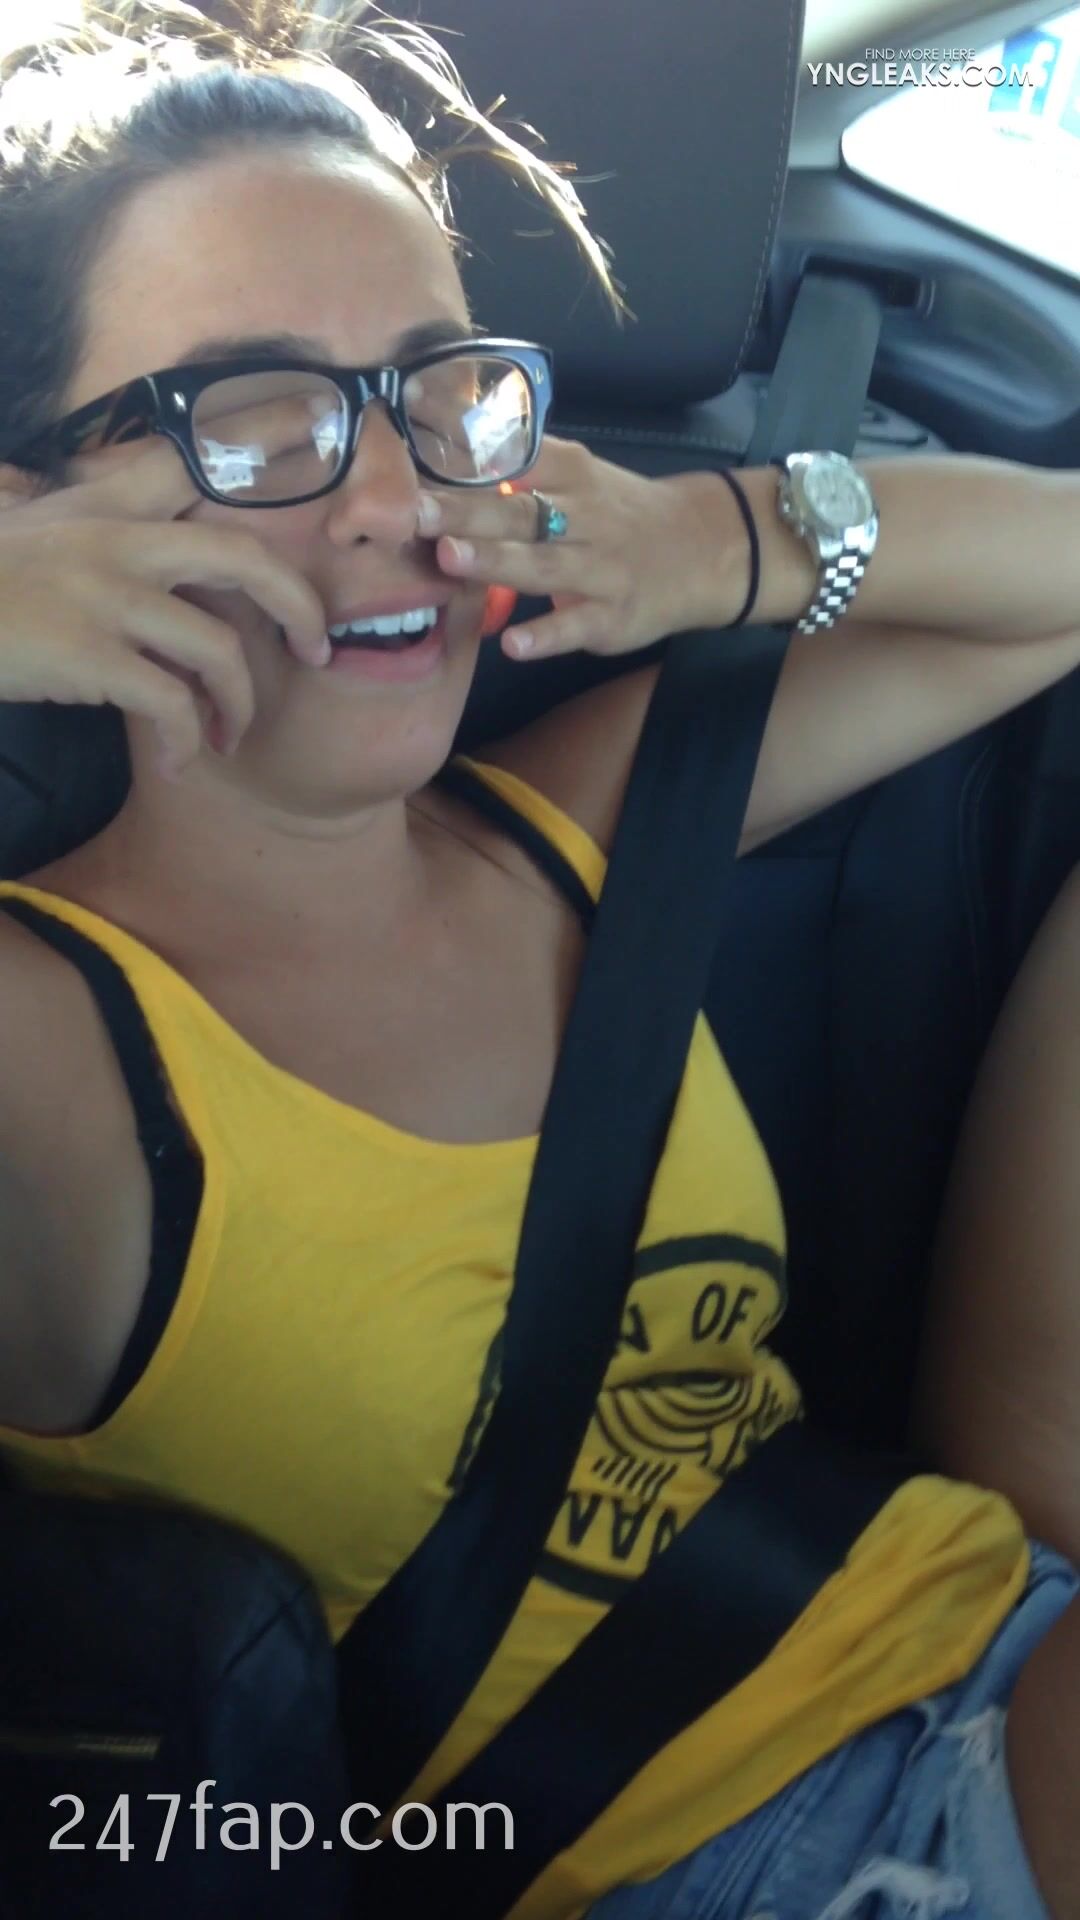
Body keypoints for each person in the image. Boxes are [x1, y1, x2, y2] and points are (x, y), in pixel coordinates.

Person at [0, 4, 1075, 1917]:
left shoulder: (563, 830)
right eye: (254, 416)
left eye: (441, 393)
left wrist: (723, 540)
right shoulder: (49, 1052)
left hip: (983, 1611)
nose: (399, 497)